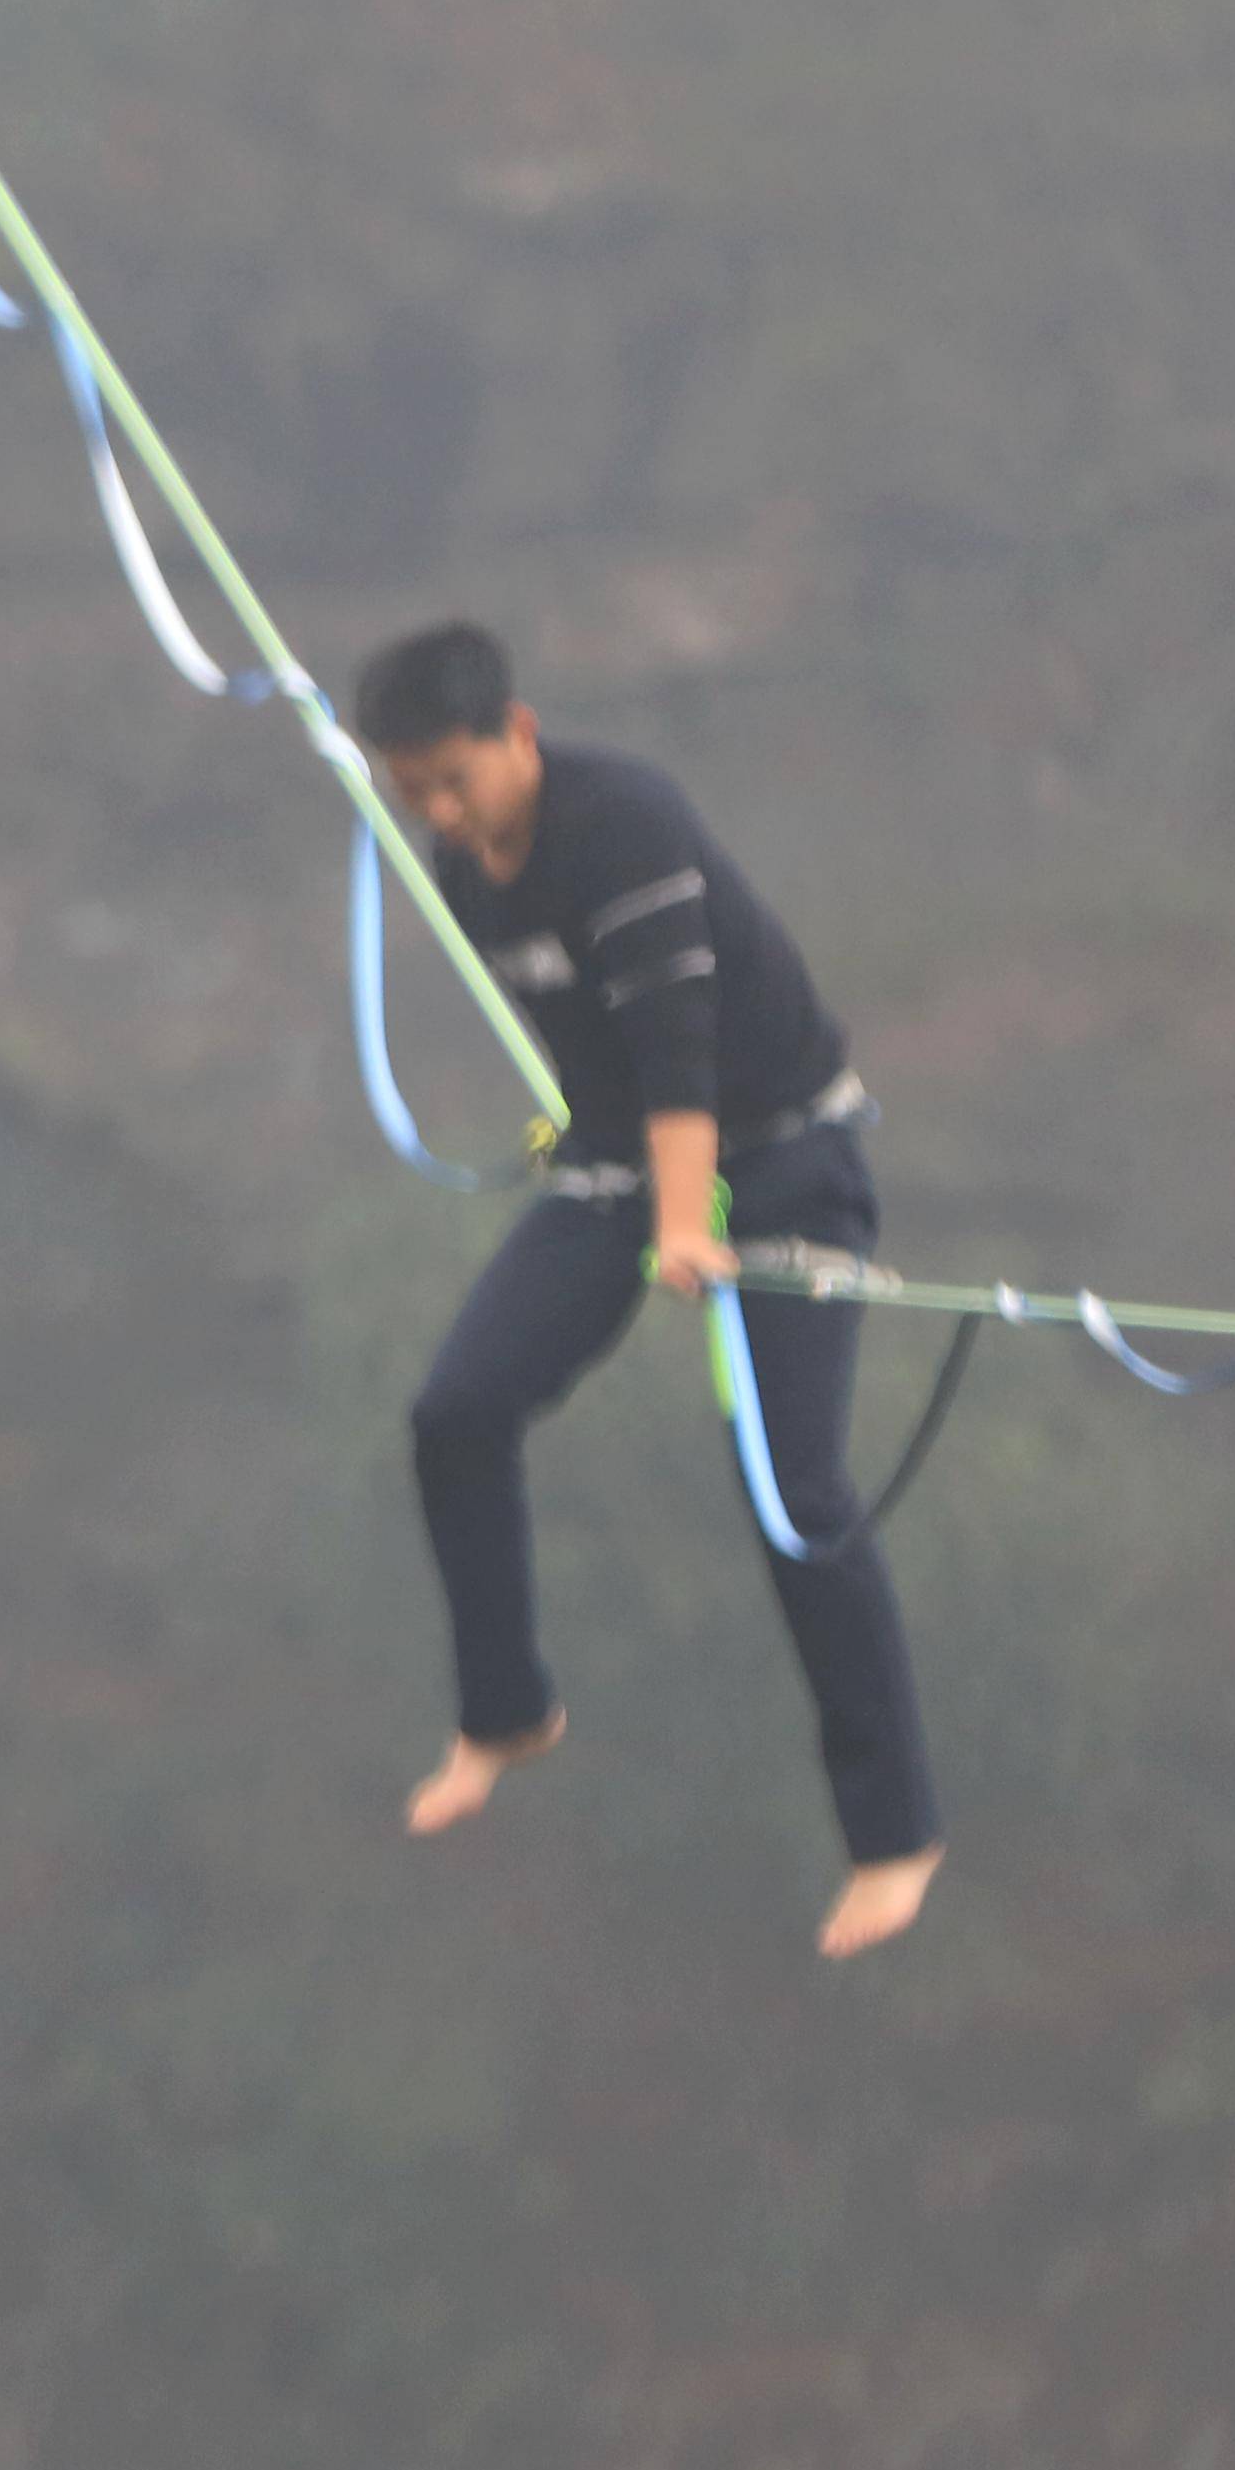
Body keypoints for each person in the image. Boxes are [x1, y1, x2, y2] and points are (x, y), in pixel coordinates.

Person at [350, 619, 942, 1961]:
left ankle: (893, 1832)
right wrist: (624, 1182)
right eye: (410, 792)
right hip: (622, 1172)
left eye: (454, 778)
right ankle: (504, 1710)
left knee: (796, 1495)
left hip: (784, 1156)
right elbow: (597, 1050)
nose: (439, 812)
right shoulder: (459, 865)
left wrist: (692, 1219)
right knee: (456, 1410)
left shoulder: (624, 823)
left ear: (518, 731)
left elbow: (682, 1039)